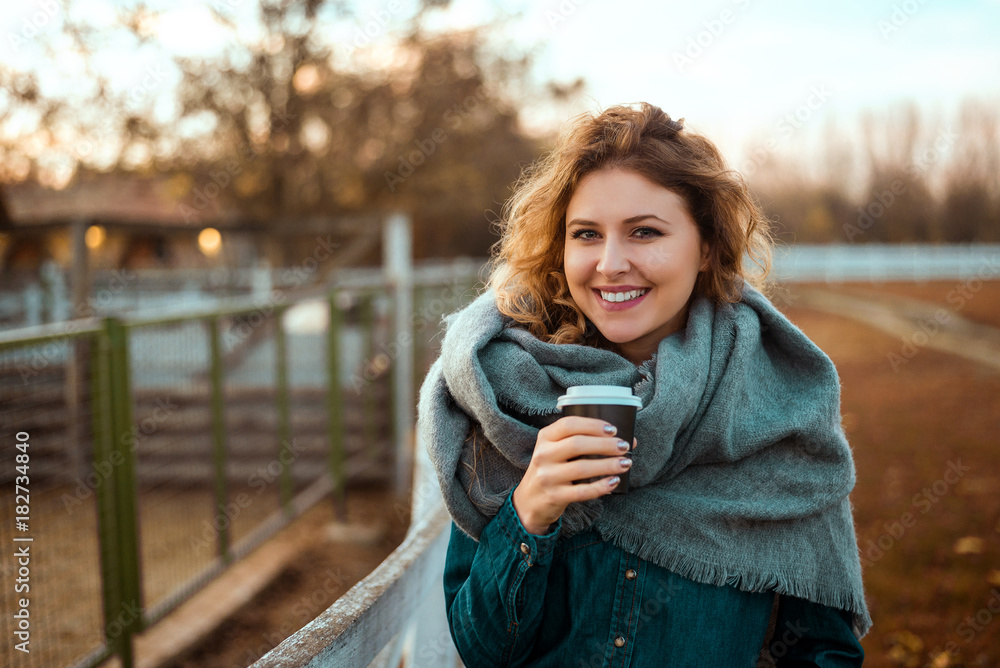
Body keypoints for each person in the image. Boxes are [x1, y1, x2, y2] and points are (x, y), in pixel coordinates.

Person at [417, 102, 870, 667]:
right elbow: (482, 652)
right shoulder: (505, 391)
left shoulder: (779, 403)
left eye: (645, 232)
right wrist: (528, 513)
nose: (609, 263)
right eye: (586, 234)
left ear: (706, 247)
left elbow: (822, 652)